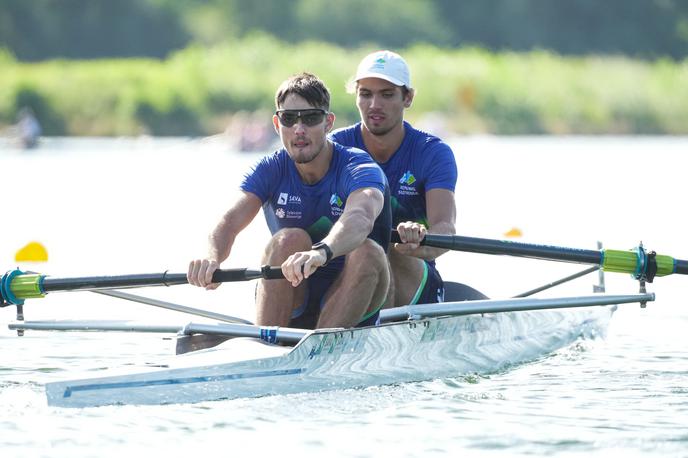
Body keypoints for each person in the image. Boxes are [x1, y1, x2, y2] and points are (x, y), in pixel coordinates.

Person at [188, 72, 391, 329]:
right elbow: (229, 221)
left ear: (328, 123)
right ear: (276, 124)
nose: (299, 129)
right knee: (289, 240)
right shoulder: (271, 168)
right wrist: (212, 259)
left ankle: (321, 344)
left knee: (368, 251)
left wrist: (322, 252)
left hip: (356, 297)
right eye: (289, 118)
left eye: (311, 118)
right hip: (294, 292)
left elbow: (359, 217)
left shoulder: (358, 166)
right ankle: (267, 345)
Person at [331, 50, 457, 308]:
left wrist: (418, 243)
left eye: (387, 94)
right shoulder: (335, 147)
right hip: (343, 275)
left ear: (407, 98)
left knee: (384, 246)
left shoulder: (433, 153)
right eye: (365, 94)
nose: (374, 105)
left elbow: (445, 227)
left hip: (411, 282)